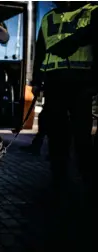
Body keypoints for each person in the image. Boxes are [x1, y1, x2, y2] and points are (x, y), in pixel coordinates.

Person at [31, 1, 98, 191]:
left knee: (81, 133)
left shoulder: (92, 12)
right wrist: (36, 80)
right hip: (54, 82)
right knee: (56, 133)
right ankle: (58, 176)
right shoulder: (48, 17)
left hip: (81, 82)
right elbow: (41, 50)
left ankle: (87, 177)